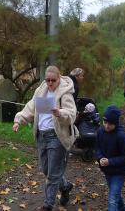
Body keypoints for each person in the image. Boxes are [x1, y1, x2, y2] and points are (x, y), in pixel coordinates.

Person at [12, 66, 78, 210]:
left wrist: (59, 113)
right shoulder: (40, 91)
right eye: (47, 80)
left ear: (58, 78)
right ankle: (65, 186)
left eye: (52, 80)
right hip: (41, 136)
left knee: (53, 175)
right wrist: (19, 120)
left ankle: (48, 205)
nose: (49, 83)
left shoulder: (65, 93)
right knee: (46, 170)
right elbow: (31, 107)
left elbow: (72, 114)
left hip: (57, 137)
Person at [96, 105, 125, 211]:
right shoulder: (100, 132)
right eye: (105, 122)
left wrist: (110, 161)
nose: (107, 126)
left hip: (119, 172)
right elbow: (97, 148)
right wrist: (100, 158)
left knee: (112, 200)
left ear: (116, 123)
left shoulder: (121, 136)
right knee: (116, 195)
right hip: (107, 171)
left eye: (110, 124)